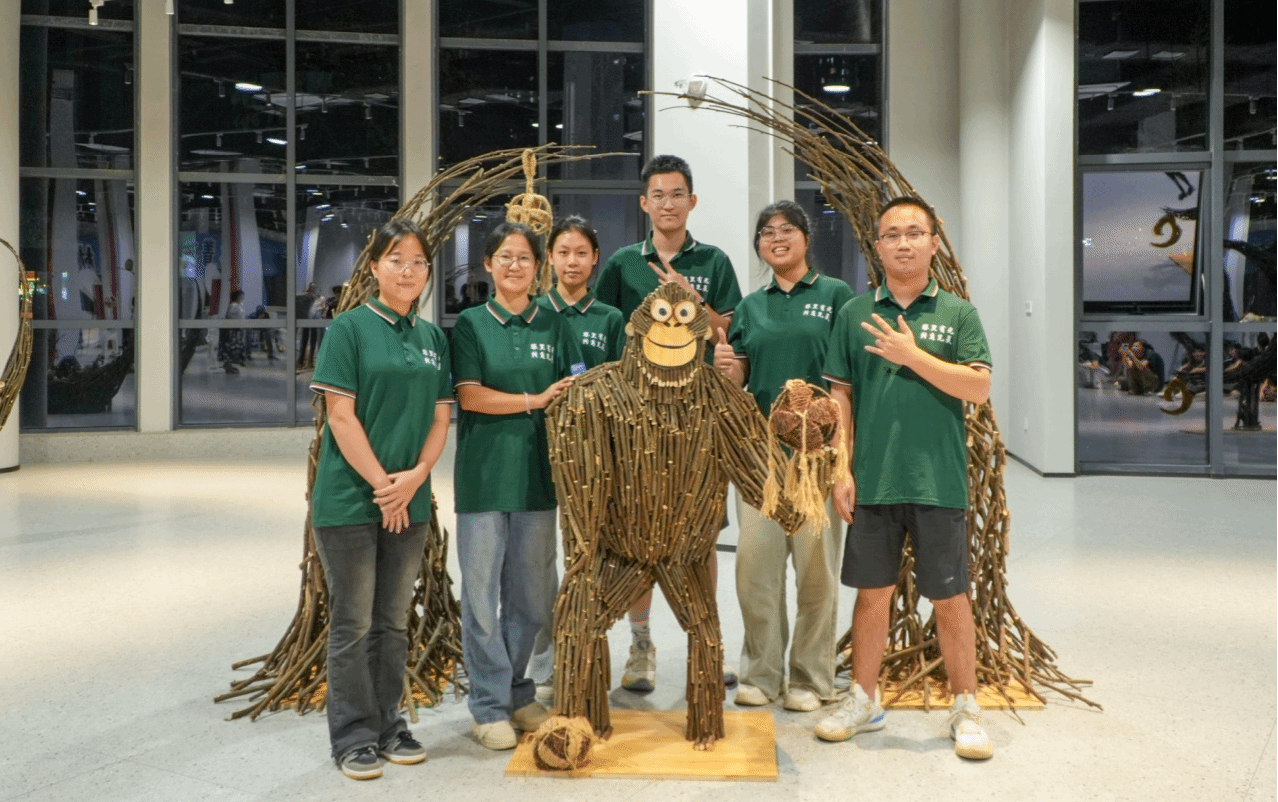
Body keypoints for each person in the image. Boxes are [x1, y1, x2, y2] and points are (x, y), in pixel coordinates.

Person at [817, 197, 995, 760]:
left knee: (951, 598)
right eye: (891, 234)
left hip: (938, 479)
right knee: (872, 595)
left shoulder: (958, 313)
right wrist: (840, 468)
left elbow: (977, 387)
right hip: (873, 479)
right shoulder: (855, 313)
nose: (903, 243)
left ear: (933, 243)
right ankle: (863, 700)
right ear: (877, 246)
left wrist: (912, 355)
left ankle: (965, 706)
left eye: (914, 233)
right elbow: (840, 397)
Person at [308, 219, 453, 780]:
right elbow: (340, 417)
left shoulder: (432, 338)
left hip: (409, 501)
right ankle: (351, 736)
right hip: (349, 501)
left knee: (393, 621)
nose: (408, 271)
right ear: (374, 268)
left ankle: (389, 724)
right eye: (396, 260)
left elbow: (440, 418)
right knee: (353, 623)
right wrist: (383, 486)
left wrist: (415, 477)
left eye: (418, 262)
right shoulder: (349, 329)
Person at [593, 153, 744, 692]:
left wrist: (692, 297)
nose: (667, 203)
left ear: (692, 201)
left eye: (677, 194)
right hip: (638, 421)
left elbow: (730, 329)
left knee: (702, 537)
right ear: (644, 203)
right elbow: (605, 329)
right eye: (657, 194)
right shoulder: (622, 264)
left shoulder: (715, 261)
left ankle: (707, 642)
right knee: (639, 536)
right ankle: (641, 647)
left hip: (700, 419)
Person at [714, 200, 853, 713]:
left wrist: (842, 457)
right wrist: (726, 365)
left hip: (818, 456)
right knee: (756, 569)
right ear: (758, 245)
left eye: (787, 229)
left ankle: (811, 678)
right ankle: (762, 672)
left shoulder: (835, 296)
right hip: (762, 458)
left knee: (816, 571)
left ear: (806, 238)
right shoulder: (752, 306)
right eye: (767, 232)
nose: (777, 238)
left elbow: (846, 382)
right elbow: (740, 379)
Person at [451, 221, 584, 751]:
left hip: (537, 480)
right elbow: (471, 396)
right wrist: (535, 400)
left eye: (524, 258)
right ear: (488, 265)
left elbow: (576, 384)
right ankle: (488, 706)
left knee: (531, 599)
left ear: (537, 267)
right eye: (504, 257)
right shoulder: (471, 324)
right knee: (481, 600)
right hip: (484, 480)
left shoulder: (554, 323)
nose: (513, 266)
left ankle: (516, 691)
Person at [528, 214, 625, 704]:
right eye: (563, 252)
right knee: (540, 561)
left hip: (593, 458)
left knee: (588, 557)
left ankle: (587, 655)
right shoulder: (531, 312)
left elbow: (623, 386)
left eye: (581, 253)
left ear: (595, 259)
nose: (572, 261)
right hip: (536, 451)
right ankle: (545, 662)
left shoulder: (610, 318)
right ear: (549, 258)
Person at [219, 289, 247, 374]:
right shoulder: (234, 306)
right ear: (238, 297)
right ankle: (228, 366)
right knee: (231, 349)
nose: (242, 298)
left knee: (231, 350)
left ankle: (229, 366)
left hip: (235, 331)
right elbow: (233, 319)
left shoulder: (236, 306)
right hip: (233, 332)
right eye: (241, 296)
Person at [296, 283, 319, 369]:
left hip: (314, 322)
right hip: (306, 321)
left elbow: (319, 309)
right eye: (312, 288)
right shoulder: (304, 297)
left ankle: (310, 361)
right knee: (304, 341)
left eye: (314, 288)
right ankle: (300, 361)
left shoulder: (317, 298)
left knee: (313, 342)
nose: (313, 289)